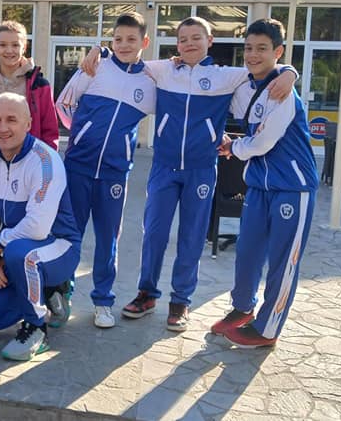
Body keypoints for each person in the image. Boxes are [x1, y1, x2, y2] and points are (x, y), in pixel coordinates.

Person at [80, 16, 296, 332]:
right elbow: (127, 57)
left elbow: (265, 68)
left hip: (201, 170)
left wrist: (290, 72)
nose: (189, 44)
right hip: (163, 167)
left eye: (197, 38)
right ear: (176, 44)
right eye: (183, 39)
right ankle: (146, 294)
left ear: (210, 41)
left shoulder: (227, 76)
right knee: (154, 233)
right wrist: (99, 50)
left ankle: (181, 301)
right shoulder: (162, 70)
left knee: (192, 236)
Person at [213, 18, 318, 348]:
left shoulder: (283, 91)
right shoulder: (245, 86)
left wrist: (235, 147)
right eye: (248, 48)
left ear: (278, 52)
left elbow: (262, 143)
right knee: (247, 251)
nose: (253, 55)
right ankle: (242, 308)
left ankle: (267, 329)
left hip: (293, 187)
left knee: (283, 261)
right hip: (259, 185)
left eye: (262, 48)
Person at [0, 93, 81, 362]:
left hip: (59, 247)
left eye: (12, 120)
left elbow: (38, 227)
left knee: (21, 255)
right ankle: (45, 292)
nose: (3, 127)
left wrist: (1, 242)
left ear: (28, 123)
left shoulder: (46, 160)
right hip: (15, 251)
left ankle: (37, 327)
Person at [55, 11, 156, 329]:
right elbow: (63, 104)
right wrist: (82, 134)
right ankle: (62, 293)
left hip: (114, 173)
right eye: (118, 39)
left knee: (108, 239)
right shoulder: (96, 66)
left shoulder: (150, 81)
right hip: (78, 167)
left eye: (131, 39)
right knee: (70, 234)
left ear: (144, 42)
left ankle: (102, 301)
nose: (124, 45)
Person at [0, 20, 59, 150]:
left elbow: (50, 132)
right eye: (3, 45)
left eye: (15, 45)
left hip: (29, 158)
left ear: (24, 47)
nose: (9, 50)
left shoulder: (39, 86)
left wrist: (46, 160)